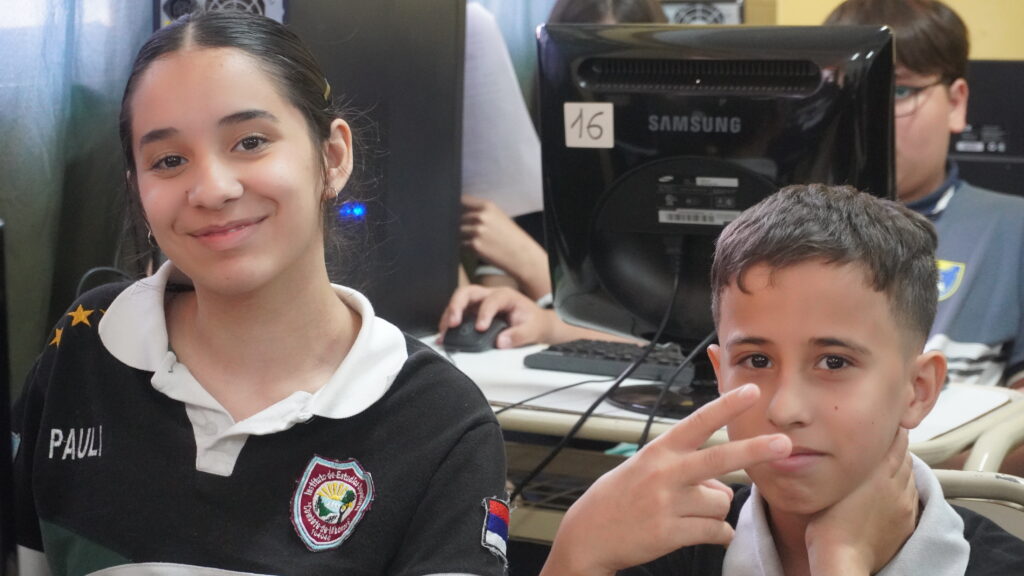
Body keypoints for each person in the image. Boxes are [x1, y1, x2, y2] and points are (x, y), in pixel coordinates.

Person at [11, 10, 508, 575]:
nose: (213, 189)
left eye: (250, 142)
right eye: (169, 160)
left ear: (333, 157)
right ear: (138, 190)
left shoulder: (438, 421)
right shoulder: (87, 345)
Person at [539, 184, 1024, 576]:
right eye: (756, 360)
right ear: (720, 376)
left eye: (834, 363)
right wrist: (576, 555)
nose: (785, 408)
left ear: (917, 390)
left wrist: (840, 564)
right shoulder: (663, 548)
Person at [825, 0, 1024, 389]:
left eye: (899, 90)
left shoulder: (1011, 229)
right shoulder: (777, 228)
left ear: (955, 102)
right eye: (849, 91)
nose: (871, 117)